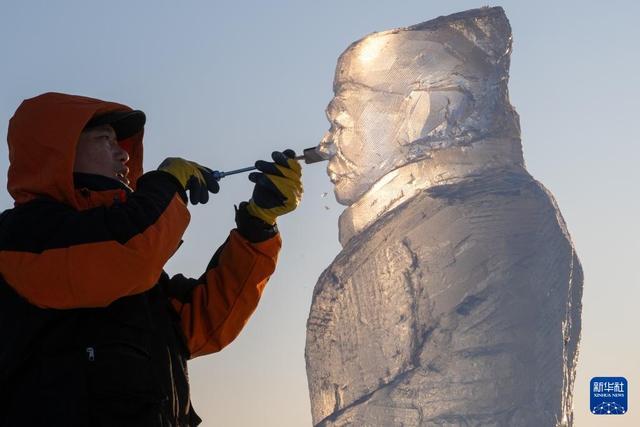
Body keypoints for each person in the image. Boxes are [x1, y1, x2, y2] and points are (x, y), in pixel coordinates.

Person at [306, 7, 582, 426]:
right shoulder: (421, 220)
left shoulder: (496, 220)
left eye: (341, 120)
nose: (326, 144)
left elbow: (473, 400)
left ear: (429, 112)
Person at [0, 91, 303, 426]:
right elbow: (131, 253)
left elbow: (204, 322)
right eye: (105, 140)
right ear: (59, 153)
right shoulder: (24, 236)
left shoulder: (124, 264)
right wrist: (166, 183)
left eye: (122, 144)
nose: (123, 155)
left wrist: (258, 225)